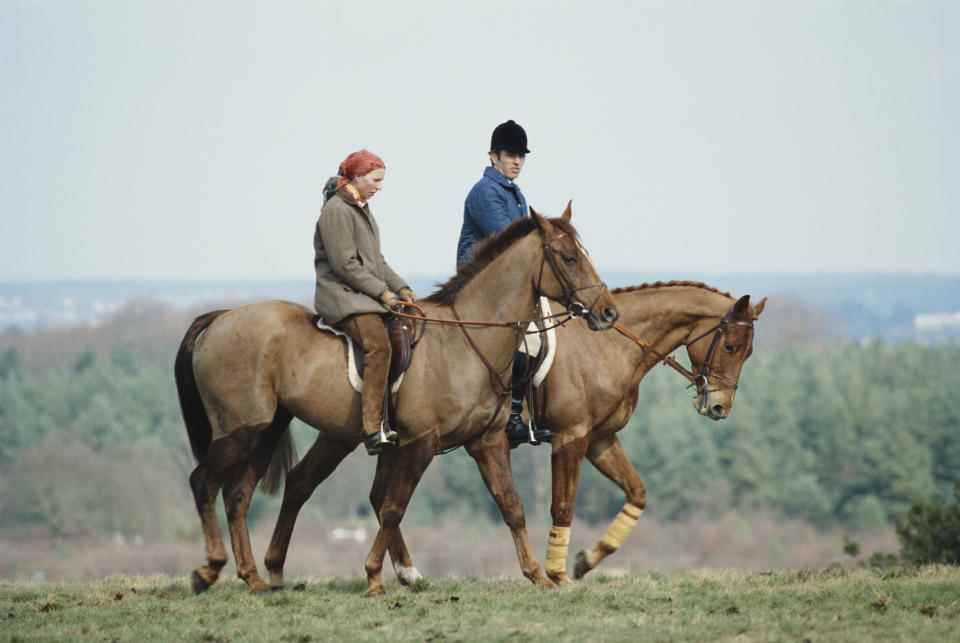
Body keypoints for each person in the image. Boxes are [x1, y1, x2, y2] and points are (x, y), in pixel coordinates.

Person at [456, 120, 551, 449]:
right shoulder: (485, 193)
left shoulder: (515, 193)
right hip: (480, 289)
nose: (517, 162)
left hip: (506, 287)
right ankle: (511, 416)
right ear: (493, 156)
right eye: (510, 155)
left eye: (521, 156)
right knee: (530, 343)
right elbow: (511, 243)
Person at [313, 149, 415, 455]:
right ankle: (372, 427)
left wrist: (402, 288)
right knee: (378, 345)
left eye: (381, 180)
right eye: (375, 180)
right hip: (341, 296)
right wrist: (383, 294)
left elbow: (376, 261)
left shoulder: (361, 208)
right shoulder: (336, 210)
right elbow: (346, 266)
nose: (379, 186)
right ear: (356, 177)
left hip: (362, 294)